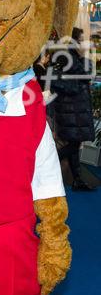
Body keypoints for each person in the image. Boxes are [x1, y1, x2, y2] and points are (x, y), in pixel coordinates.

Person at [51, 27, 96, 191]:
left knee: (74, 144)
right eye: (82, 39)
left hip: (73, 108)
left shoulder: (70, 56)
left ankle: (77, 179)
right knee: (73, 145)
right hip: (72, 109)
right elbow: (87, 72)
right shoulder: (70, 56)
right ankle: (47, 164)